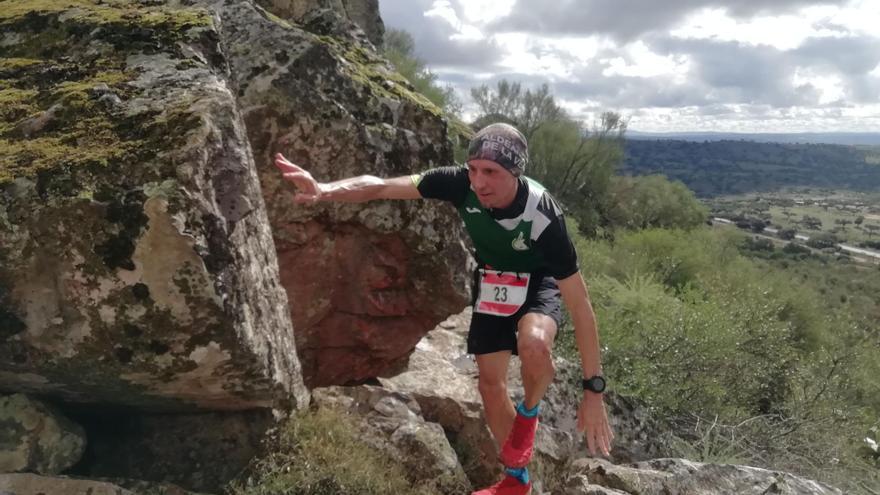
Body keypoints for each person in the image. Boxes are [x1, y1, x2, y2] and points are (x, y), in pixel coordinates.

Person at [275, 123, 613, 495]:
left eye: (491, 172)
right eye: (474, 169)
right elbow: (383, 185)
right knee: (489, 385)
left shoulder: (543, 215)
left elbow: (581, 306)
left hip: (537, 282)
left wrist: (593, 391)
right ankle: (517, 481)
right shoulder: (458, 183)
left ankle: (529, 415)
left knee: (534, 344)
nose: (479, 182)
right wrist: (325, 190)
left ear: (515, 173)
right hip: (493, 280)